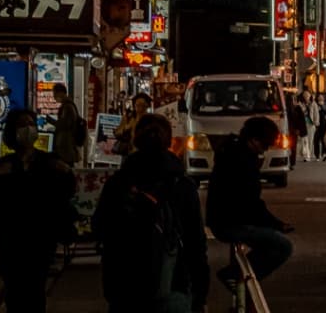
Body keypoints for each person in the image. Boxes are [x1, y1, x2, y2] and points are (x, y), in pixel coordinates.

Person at [95, 112, 209, 313]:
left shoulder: (119, 183)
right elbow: (196, 243)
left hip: (125, 287)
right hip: (173, 283)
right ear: (169, 141)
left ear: (136, 140)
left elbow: (100, 227)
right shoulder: (182, 185)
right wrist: (200, 293)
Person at [0, 106, 76, 313]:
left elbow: (68, 191)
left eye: (31, 124)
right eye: (22, 125)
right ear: (13, 132)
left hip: (40, 239)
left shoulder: (49, 161)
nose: (28, 129)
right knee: (15, 292)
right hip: (11, 240)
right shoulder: (4, 165)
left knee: (35, 291)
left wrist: (67, 173)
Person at [205, 117, 295, 284]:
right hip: (231, 222)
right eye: (264, 145)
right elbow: (250, 203)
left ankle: (238, 277)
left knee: (272, 240)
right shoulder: (243, 161)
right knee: (282, 246)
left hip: (224, 218)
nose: (265, 150)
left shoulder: (231, 152)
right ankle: (235, 275)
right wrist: (276, 224)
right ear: (253, 140)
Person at [49, 83, 86, 167]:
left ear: (61, 93)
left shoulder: (67, 106)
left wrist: (52, 121)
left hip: (66, 146)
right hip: (66, 146)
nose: (54, 97)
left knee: (65, 168)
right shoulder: (69, 105)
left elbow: (65, 124)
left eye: (55, 94)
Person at [114, 93, 153, 159]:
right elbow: (117, 133)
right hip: (129, 153)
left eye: (143, 105)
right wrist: (126, 128)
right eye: (137, 105)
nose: (140, 108)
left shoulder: (151, 119)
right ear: (134, 105)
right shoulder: (128, 118)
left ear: (147, 106)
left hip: (146, 154)